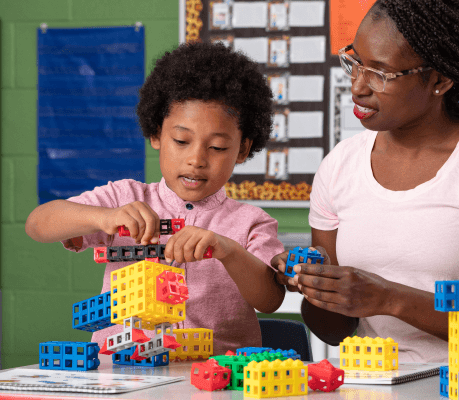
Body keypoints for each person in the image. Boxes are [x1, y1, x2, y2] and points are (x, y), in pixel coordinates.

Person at [272, 0, 459, 363]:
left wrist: (389, 299)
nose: (358, 86)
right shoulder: (340, 167)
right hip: (371, 382)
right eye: (355, 62)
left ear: (439, 80)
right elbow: (332, 330)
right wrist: (315, 286)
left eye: (381, 73)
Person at [25, 42, 285, 355]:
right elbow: (37, 224)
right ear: (156, 135)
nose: (196, 159)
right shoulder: (125, 198)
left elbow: (270, 300)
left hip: (214, 376)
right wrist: (103, 217)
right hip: (122, 371)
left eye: (217, 147)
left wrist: (227, 249)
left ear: (242, 149)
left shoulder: (251, 223)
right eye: (181, 141)